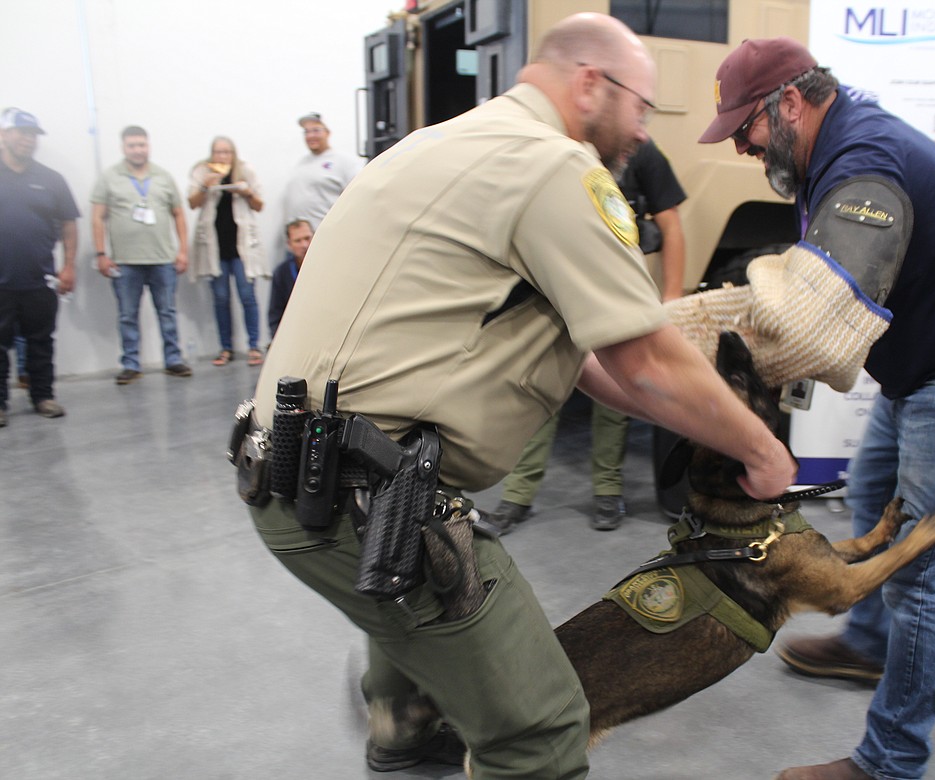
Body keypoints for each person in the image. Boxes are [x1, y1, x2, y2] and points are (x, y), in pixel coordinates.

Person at [242, 14, 796, 778]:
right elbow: (643, 359)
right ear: (590, 83)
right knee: (543, 729)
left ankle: (403, 732)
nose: (643, 131)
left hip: (298, 468)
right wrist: (763, 452)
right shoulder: (556, 168)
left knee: (423, 598)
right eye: (643, 107)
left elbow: (583, 357)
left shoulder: (445, 142)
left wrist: (679, 410)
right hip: (354, 496)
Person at [697, 38, 935, 780]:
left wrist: (699, 360)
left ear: (790, 102)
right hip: (933, 367)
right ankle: (866, 642)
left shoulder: (862, 162)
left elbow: (818, 328)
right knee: (869, 496)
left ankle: (890, 762)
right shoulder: (831, 146)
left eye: (745, 128)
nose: (739, 146)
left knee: (925, 578)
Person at [486, 138, 687, 533]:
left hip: (613, 287)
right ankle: (517, 496)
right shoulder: (550, 147)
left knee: (616, 390)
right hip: (553, 285)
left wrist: (673, 298)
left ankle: (608, 491)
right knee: (542, 385)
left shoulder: (638, 149)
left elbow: (670, 221)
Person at [91, 125, 191, 384]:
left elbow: (178, 214)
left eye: (141, 144)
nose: (137, 150)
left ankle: (173, 360)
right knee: (127, 315)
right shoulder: (110, 177)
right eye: (132, 145)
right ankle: (131, 364)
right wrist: (101, 253)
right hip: (125, 262)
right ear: (123, 148)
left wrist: (182, 251)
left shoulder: (163, 176)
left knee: (167, 312)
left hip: (162, 259)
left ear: (148, 145)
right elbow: (97, 217)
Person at [0, 108, 78, 426]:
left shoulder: (51, 179)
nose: (28, 140)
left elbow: (69, 224)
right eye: (21, 132)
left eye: (32, 134)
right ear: (4, 134)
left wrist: (69, 266)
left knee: (41, 341)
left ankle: (43, 396)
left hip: (40, 279)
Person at [187, 136, 266, 367]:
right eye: (218, 152)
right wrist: (206, 186)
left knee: (247, 296)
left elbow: (260, 205)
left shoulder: (245, 171)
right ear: (211, 154)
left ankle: (253, 346)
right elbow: (192, 202)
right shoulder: (202, 171)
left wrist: (246, 192)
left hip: (242, 248)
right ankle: (226, 348)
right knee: (220, 299)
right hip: (215, 249)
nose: (222, 157)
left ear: (234, 154)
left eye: (226, 152)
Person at [282, 112, 362, 229]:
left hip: (327, 235)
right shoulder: (301, 164)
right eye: (307, 132)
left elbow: (358, 198)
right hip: (301, 240)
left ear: (327, 132)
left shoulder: (344, 162)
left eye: (316, 130)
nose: (310, 136)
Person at [266, 218, 312, 338]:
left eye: (307, 238)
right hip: (294, 335)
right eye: (298, 241)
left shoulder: (328, 267)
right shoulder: (281, 273)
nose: (304, 245)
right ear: (289, 244)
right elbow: (276, 314)